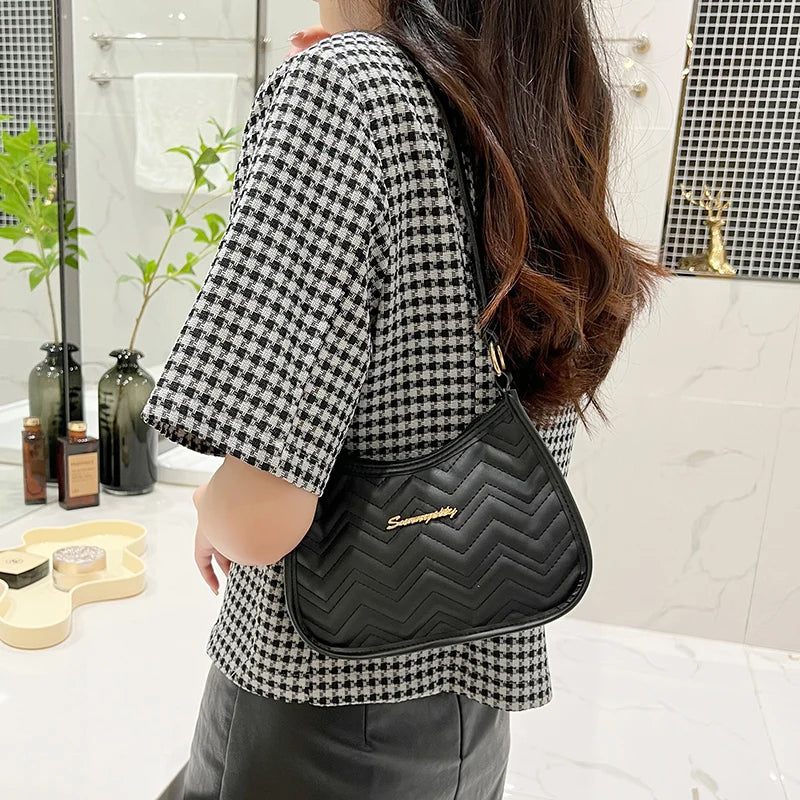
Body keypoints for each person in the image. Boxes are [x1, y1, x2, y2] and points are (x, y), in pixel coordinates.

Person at [142, 0, 665, 797]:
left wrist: (215, 504)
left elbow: (257, 522)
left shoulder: (343, 88)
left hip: (318, 704)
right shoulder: (542, 93)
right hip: (472, 706)